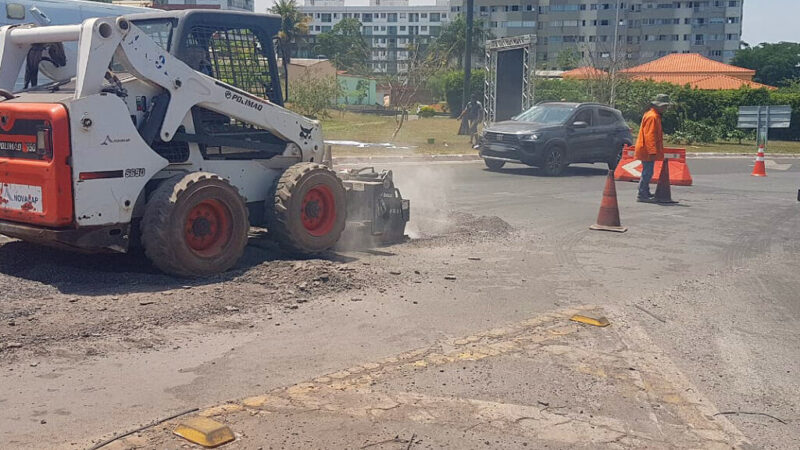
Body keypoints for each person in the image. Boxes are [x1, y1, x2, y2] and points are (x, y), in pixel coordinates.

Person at [634, 94, 672, 202]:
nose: (665, 108)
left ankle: (645, 192)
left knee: (647, 171)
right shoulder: (653, 117)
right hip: (647, 149)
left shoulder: (652, 115)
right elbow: (650, 135)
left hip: (646, 148)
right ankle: (642, 194)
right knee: (647, 172)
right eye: (664, 106)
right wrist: (652, 151)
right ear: (658, 106)